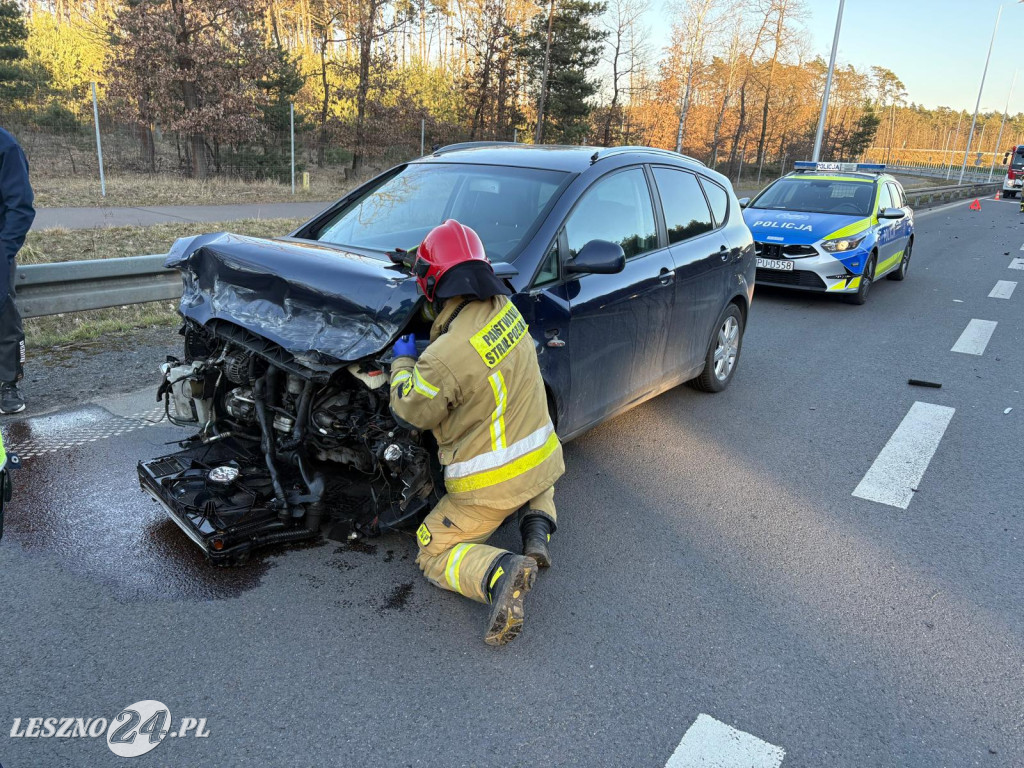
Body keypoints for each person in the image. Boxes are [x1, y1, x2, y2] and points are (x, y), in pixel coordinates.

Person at [389, 219, 564, 646]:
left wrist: (402, 364)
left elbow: (410, 411)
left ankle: (499, 574)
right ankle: (536, 528)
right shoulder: (505, 310)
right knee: (533, 480)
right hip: (543, 459)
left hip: (489, 486)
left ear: (433, 285)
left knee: (432, 552)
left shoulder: (444, 356)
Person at [0, 127, 35, 414]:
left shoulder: (6, 146)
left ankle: (8, 384)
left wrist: (3, 252)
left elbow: (20, 207)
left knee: (4, 317)